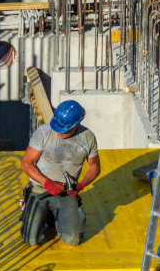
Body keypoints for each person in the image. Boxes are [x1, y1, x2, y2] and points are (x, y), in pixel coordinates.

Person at [20, 100, 100, 246]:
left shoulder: (88, 138)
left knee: (73, 240)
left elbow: (94, 168)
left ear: (77, 124)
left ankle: (53, 215)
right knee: (32, 240)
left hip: (66, 193)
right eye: (57, 127)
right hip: (40, 189)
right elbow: (26, 163)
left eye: (64, 130)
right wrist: (47, 183)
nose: (59, 132)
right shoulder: (43, 133)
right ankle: (30, 208)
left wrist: (81, 185)